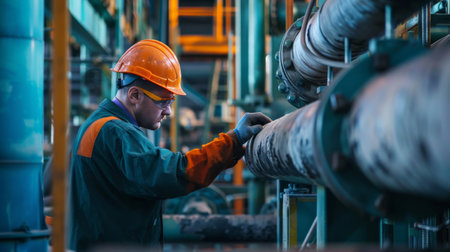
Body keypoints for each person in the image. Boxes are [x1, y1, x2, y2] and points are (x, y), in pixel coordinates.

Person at [68, 39, 271, 250]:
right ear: (135, 95)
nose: (169, 112)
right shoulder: (115, 132)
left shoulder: (98, 124)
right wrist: (233, 140)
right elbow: (173, 173)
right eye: (163, 101)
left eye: (171, 102)